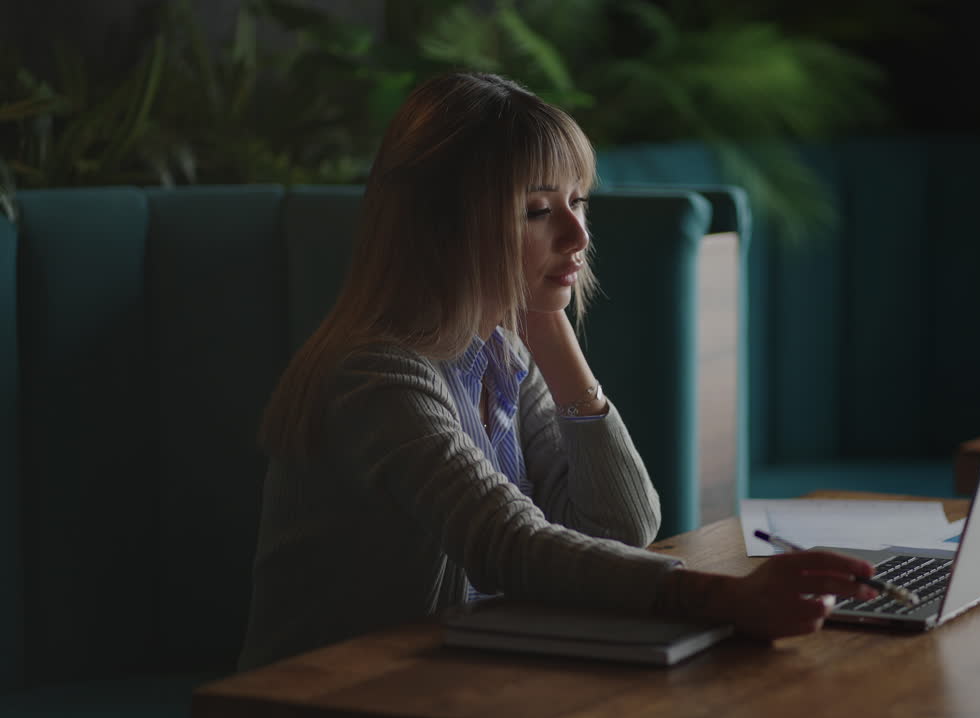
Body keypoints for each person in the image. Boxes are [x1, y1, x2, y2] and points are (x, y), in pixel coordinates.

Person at [238, 71, 878, 669]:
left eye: (578, 202)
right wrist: (722, 596)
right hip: (329, 697)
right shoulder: (375, 374)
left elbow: (623, 526)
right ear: (443, 227)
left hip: (451, 679)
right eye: (538, 211)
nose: (578, 236)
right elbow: (506, 545)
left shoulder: (502, 352)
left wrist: (549, 328)